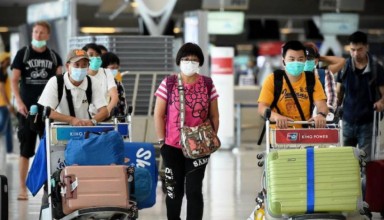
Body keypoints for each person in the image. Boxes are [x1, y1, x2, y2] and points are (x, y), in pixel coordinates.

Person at [154, 42, 219, 220]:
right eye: (185, 59)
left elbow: (214, 116)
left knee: (194, 190)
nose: (189, 62)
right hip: (172, 146)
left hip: (199, 148)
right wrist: (162, 142)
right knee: (174, 191)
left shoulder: (207, 84)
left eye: (194, 59)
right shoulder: (168, 83)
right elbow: (158, 115)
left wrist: (209, 142)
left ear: (200, 63)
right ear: (179, 61)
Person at [11, 20, 63, 200]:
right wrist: (18, 102)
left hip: (47, 111)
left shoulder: (54, 57)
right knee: (25, 149)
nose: (38, 35)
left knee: (49, 148)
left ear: (48, 35)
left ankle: (49, 187)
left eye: (41, 33)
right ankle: (22, 188)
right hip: (26, 109)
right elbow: (14, 80)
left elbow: (60, 83)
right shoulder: (23, 54)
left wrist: (56, 107)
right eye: (35, 32)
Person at [258, 40, 328, 129]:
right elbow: (262, 108)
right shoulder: (273, 79)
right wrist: (276, 117)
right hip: (279, 133)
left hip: (304, 134)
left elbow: (322, 105)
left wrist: (321, 115)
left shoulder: (311, 80)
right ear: (283, 61)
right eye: (291, 59)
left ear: (305, 61)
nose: (296, 62)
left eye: (300, 59)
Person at [336, 31, 384, 161]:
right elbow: (339, 91)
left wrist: (381, 103)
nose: (356, 53)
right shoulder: (344, 67)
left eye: (359, 49)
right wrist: (335, 104)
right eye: (352, 50)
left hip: (367, 123)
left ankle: (365, 182)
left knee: (365, 162)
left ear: (367, 47)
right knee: (346, 160)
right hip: (347, 121)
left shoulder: (376, 69)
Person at [38, 49, 109, 124]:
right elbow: (48, 111)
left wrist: (92, 121)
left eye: (84, 65)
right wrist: (72, 120)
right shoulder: (56, 82)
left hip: (85, 130)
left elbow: (104, 111)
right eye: (76, 64)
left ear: (88, 67)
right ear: (68, 66)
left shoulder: (93, 82)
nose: (80, 68)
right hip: (60, 130)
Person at [303, 42, 345, 112]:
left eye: (309, 59)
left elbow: (342, 61)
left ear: (316, 61)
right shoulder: (294, 75)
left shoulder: (323, 73)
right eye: (303, 58)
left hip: (319, 115)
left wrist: (318, 57)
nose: (306, 61)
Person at [82, 43, 118, 119]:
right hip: (83, 118)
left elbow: (114, 96)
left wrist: (105, 113)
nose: (95, 58)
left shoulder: (106, 72)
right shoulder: (80, 74)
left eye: (97, 55)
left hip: (104, 117)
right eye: (91, 55)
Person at [100, 52, 128, 120]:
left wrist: (123, 117)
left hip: (118, 118)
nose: (115, 70)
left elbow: (123, 100)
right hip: (102, 118)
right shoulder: (98, 83)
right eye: (112, 68)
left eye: (117, 68)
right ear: (103, 68)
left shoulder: (118, 83)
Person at [0, 52, 15, 155]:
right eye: (8, 60)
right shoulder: (1, 73)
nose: (9, 61)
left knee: (8, 128)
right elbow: (2, 89)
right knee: (2, 127)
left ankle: (9, 152)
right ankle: (9, 151)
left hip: (4, 103)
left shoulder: (4, 72)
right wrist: (8, 104)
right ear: (3, 61)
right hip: (3, 104)